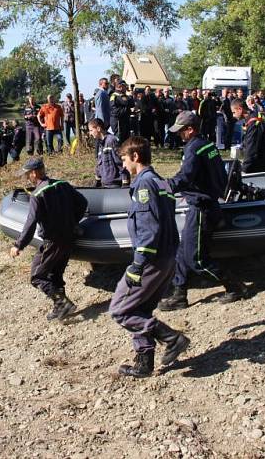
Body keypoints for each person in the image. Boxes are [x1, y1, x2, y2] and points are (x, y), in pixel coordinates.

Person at [109, 136, 190, 378]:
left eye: (124, 159)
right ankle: (144, 363)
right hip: (166, 258)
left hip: (151, 260)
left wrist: (137, 265)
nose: (123, 165)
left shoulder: (144, 186)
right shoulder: (161, 182)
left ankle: (172, 338)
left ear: (135, 157)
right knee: (139, 307)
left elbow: (148, 229)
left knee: (120, 309)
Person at [158, 111, 248, 311]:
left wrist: (163, 186)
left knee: (196, 259)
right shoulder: (209, 146)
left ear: (190, 130)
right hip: (208, 202)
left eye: (181, 131)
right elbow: (214, 177)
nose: (179, 135)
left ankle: (234, 286)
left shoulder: (193, 149)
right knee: (181, 254)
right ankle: (179, 295)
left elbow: (185, 177)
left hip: (201, 209)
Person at [9, 158, 88, 320]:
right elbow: (82, 202)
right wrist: (73, 222)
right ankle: (61, 309)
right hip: (69, 238)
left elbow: (30, 223)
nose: (26, 178)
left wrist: (19, 245)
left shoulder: (38, 194)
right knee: (55, 275)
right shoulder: (62, 184)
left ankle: (63, 304)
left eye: (27, 174)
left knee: (37, 277)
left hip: (52, 242)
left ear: (34, 173)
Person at [232, 99, 265, 173]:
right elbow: (248, 141)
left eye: (234, 112)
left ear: (240, 109)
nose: (233, 115)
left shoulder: (254, 123)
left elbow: (252, 149)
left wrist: (244, 169)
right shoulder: (254, 117)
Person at [88, 118, 129, 187]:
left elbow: (120, 162)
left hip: (114, 184)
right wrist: (98, 179)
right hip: (105, 184)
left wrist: (125, 182)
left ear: (98, 128)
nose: (90, 133)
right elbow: (99, 164)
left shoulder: (111, 141)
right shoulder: (100, 143)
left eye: (91, 130)